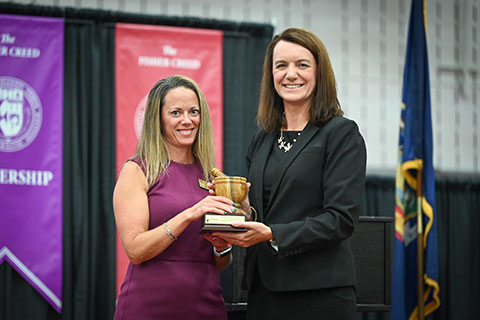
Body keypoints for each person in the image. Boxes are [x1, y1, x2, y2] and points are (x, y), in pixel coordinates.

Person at [212, 28, 367, 319]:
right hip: (263, 291)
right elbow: (263, 211)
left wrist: (271, 233)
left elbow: (340, 219)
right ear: (271, 75)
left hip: (319, 294)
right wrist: (242, 213)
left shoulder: (341, 134)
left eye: (302, 65)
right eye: (281, 65)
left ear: (320, 73)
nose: (290, 74)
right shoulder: (262, 137)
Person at [113, 75, 235, 320]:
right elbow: (136, 250)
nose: (187, 120)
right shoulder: (137, 170)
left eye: (193, 111)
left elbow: (214, 262)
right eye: (176, 113)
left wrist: (223, 247)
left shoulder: (210, 175)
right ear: (157, 119)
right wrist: (190, 214)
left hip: (206, 304)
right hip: (149, 307)